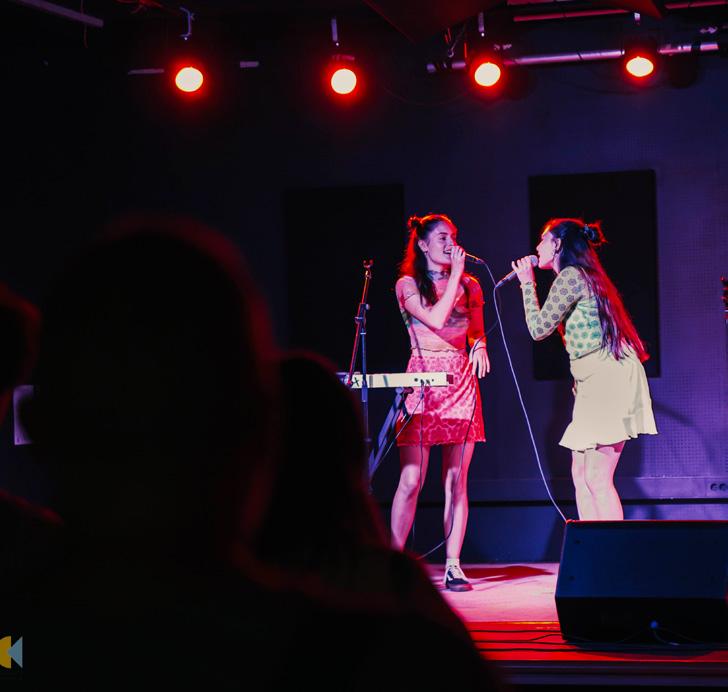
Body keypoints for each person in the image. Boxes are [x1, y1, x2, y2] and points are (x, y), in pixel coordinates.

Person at [512, 218, 657, 521]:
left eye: (543, 240)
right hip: (593, 378)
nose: (537, 247)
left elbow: (538, 329)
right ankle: (593, 545)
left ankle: (612, 548)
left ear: (557, 244)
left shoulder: (571, 276)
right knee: (580, 475)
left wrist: (527, 283)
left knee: (597, 478)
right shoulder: (579, 276)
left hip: (608, 375)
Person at [390, 214, 490, 592]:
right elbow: (435, 318)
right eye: (442, 238)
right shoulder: (407, 284)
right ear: (423, 244)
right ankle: (393, 563)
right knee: (411, 479)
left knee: (456, 479)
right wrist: (457, 275)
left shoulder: (470, 285)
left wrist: (480, 345)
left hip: (460, 381)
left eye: (454, 237)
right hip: (422, 381)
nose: (451, 244)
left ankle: (453, 565)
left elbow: (475, 329)